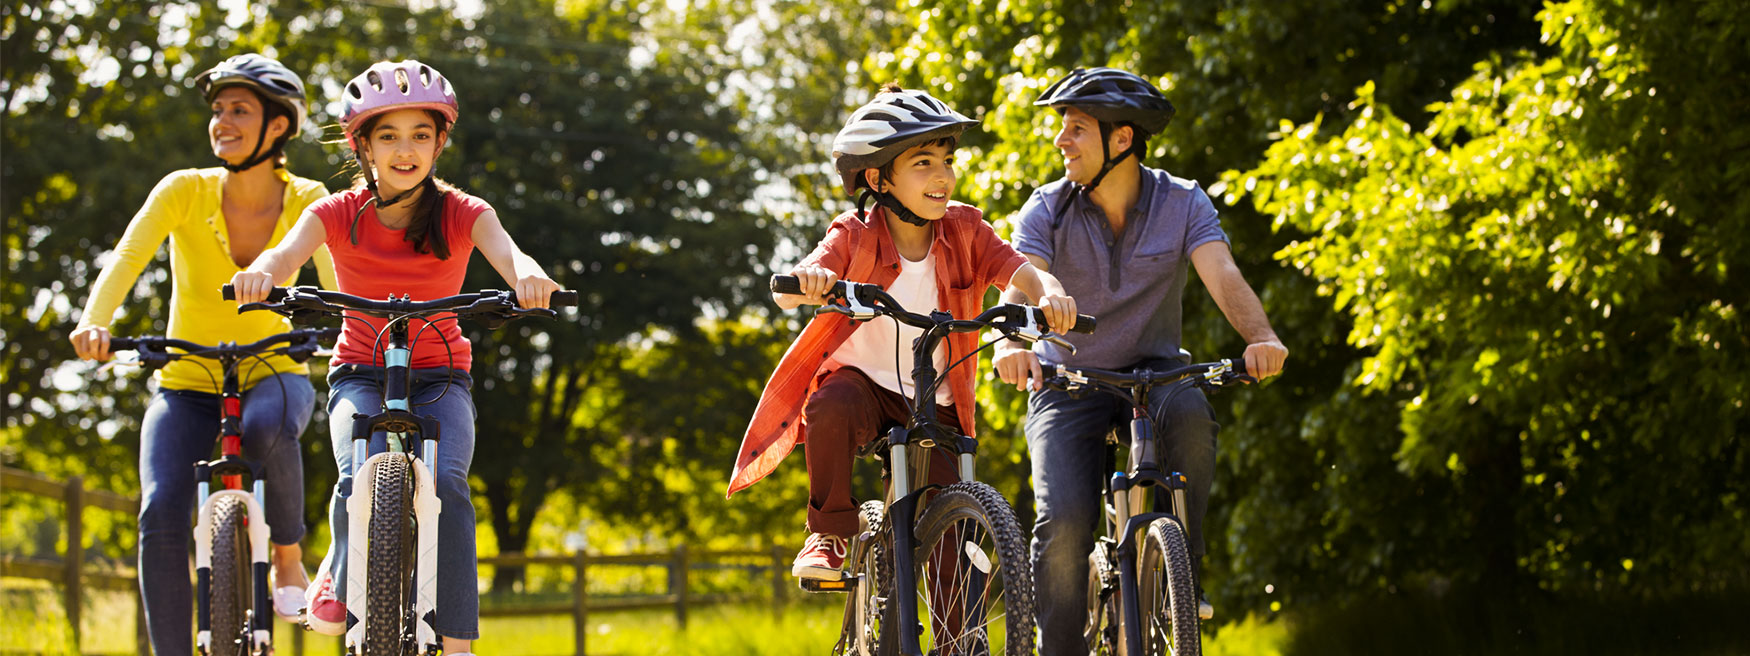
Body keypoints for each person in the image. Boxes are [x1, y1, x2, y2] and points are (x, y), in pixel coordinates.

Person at [229, 60, 561, 655]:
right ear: (362, 145)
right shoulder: (335, 211)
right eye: (388, 135)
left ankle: (457, 641)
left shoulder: (464, 211)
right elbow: (284, 255)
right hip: (359, 371)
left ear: (440, 142)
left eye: (420, 135)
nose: (405, 149)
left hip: (442, 377)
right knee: (358, 470)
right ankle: (338, 568)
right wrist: (260, 274)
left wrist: (533, 281)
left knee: (449, 486)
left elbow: (513, 258)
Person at [725, 85, 1079, 581]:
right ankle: (828, 533)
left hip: (935, 400)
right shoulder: (852, 235)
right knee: (831, 403)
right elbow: (788, 291)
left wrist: (1051, 293)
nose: (943, 176)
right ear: (878, 178)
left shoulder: (966, 231)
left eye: (947, 160)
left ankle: (961, 637)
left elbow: (1022, 272)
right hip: (865, 390)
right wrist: (811, 282)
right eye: (923, 163)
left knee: (951, 540)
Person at [992, 67, 1288, 653]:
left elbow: (1221, 274)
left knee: (1193, 419)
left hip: (1156, 375)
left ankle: (1183, 572)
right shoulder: (1046, 208)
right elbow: (1022, 281)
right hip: (1067, 381)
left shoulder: (1182, 202)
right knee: (1065, 521)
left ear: (1121, 139)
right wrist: (1010, 344)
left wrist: (1261, 338)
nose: (1061, 141)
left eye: (1076, 128)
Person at [68, 53, 335, 655]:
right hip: (185, 379)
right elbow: (126, 258)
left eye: (239, 109)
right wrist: (95, 321)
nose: (222, 121)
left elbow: (338, 278)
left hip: (275, 369)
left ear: (279, 125)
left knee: (268, 426)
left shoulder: (310, 199)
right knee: (160, 509)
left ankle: (288, 557)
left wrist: (351, 333)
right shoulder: (184, 190)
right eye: (217, 110)